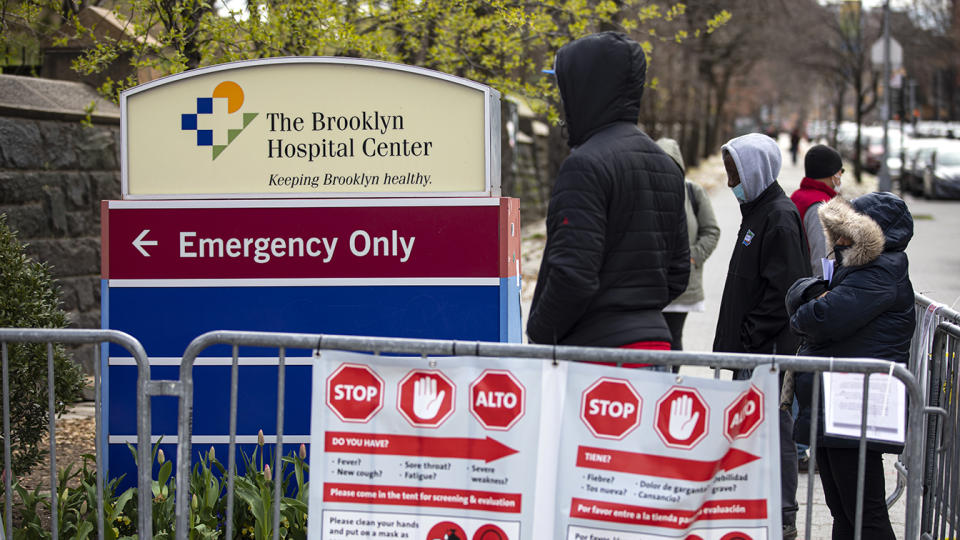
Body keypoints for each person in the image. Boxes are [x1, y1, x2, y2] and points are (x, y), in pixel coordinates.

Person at [527, 32, 690, 354]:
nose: (561, 102)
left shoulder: (584, 165)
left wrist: (539, 332)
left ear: (585, 91)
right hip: (654, 345)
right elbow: (679, 271)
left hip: (597, 356)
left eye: (564, 90)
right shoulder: (666, 164)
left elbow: (573, 275)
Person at [787, 193, 914, 540]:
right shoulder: (858, 271)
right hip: (838, 403)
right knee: (842, 510)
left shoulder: (880, 272)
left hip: (856, 406)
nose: (840, 241)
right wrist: (814, 296)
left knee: (864, 514)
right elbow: (806, 298)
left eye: (848, 233)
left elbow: (820, 318)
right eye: (837, 232)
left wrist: (812, 303)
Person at [712, 132, 810, 540]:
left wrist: (750, 338)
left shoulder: (779, 216)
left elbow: (782, 292)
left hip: (767, 352)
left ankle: (783, 512)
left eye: (735, 171)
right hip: (750, 350)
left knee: (775, 430)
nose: (730, 178)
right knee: (755, 430)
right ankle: (757, 504)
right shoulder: (755, 211)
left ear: (755, 170)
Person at [656, 138, 721, 360]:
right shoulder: (645, 191)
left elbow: (711, 231)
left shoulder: (693, 193)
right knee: (653, 340)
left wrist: (691, 257)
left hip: (683, 284)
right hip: (650, 282)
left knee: (672, 338)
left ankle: (672, 385)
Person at [791, 144, 843, 277]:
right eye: (840, 171)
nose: (840, 176)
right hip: (811, 286)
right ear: (832, 173)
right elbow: (822, 256)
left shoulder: (797, 196)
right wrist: (823, 288)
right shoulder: (821, 205)